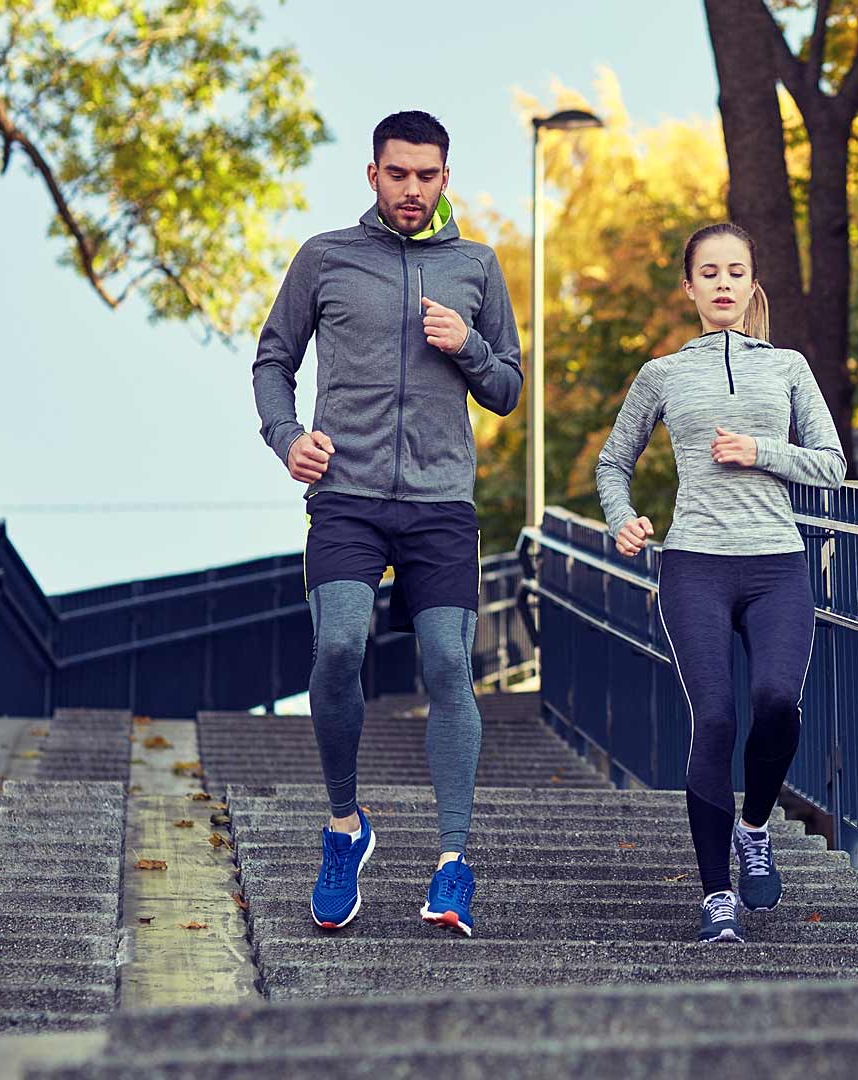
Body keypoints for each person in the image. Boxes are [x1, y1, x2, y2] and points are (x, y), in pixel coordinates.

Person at [252, 110, 523, 938]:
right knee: (338, 645)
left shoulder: (477, 266)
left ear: (447, 178)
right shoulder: (326, 258)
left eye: (427, 175)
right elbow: (273, 358)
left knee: (447, 662)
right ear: (373, 174)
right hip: (346, 495)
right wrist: (287, 437)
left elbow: (508, 386)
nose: (412, 189)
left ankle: (451, 864)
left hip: (441, 503)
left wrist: (470, 345)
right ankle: (344, 827)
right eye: (398, 173)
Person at [595, 223, 846, 942]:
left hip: (776, 564)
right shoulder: (663, 374)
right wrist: (624, 517)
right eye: (710, 273)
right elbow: (614, 462)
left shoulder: (788, 367)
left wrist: (761, 451)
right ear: (691, 288)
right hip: (695, 563)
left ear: (752, 281)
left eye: (736, 271)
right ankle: (716, 897)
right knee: (715, 720)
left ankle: (755, 827)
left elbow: (831, 463)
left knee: (776, 705)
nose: (724, 284)